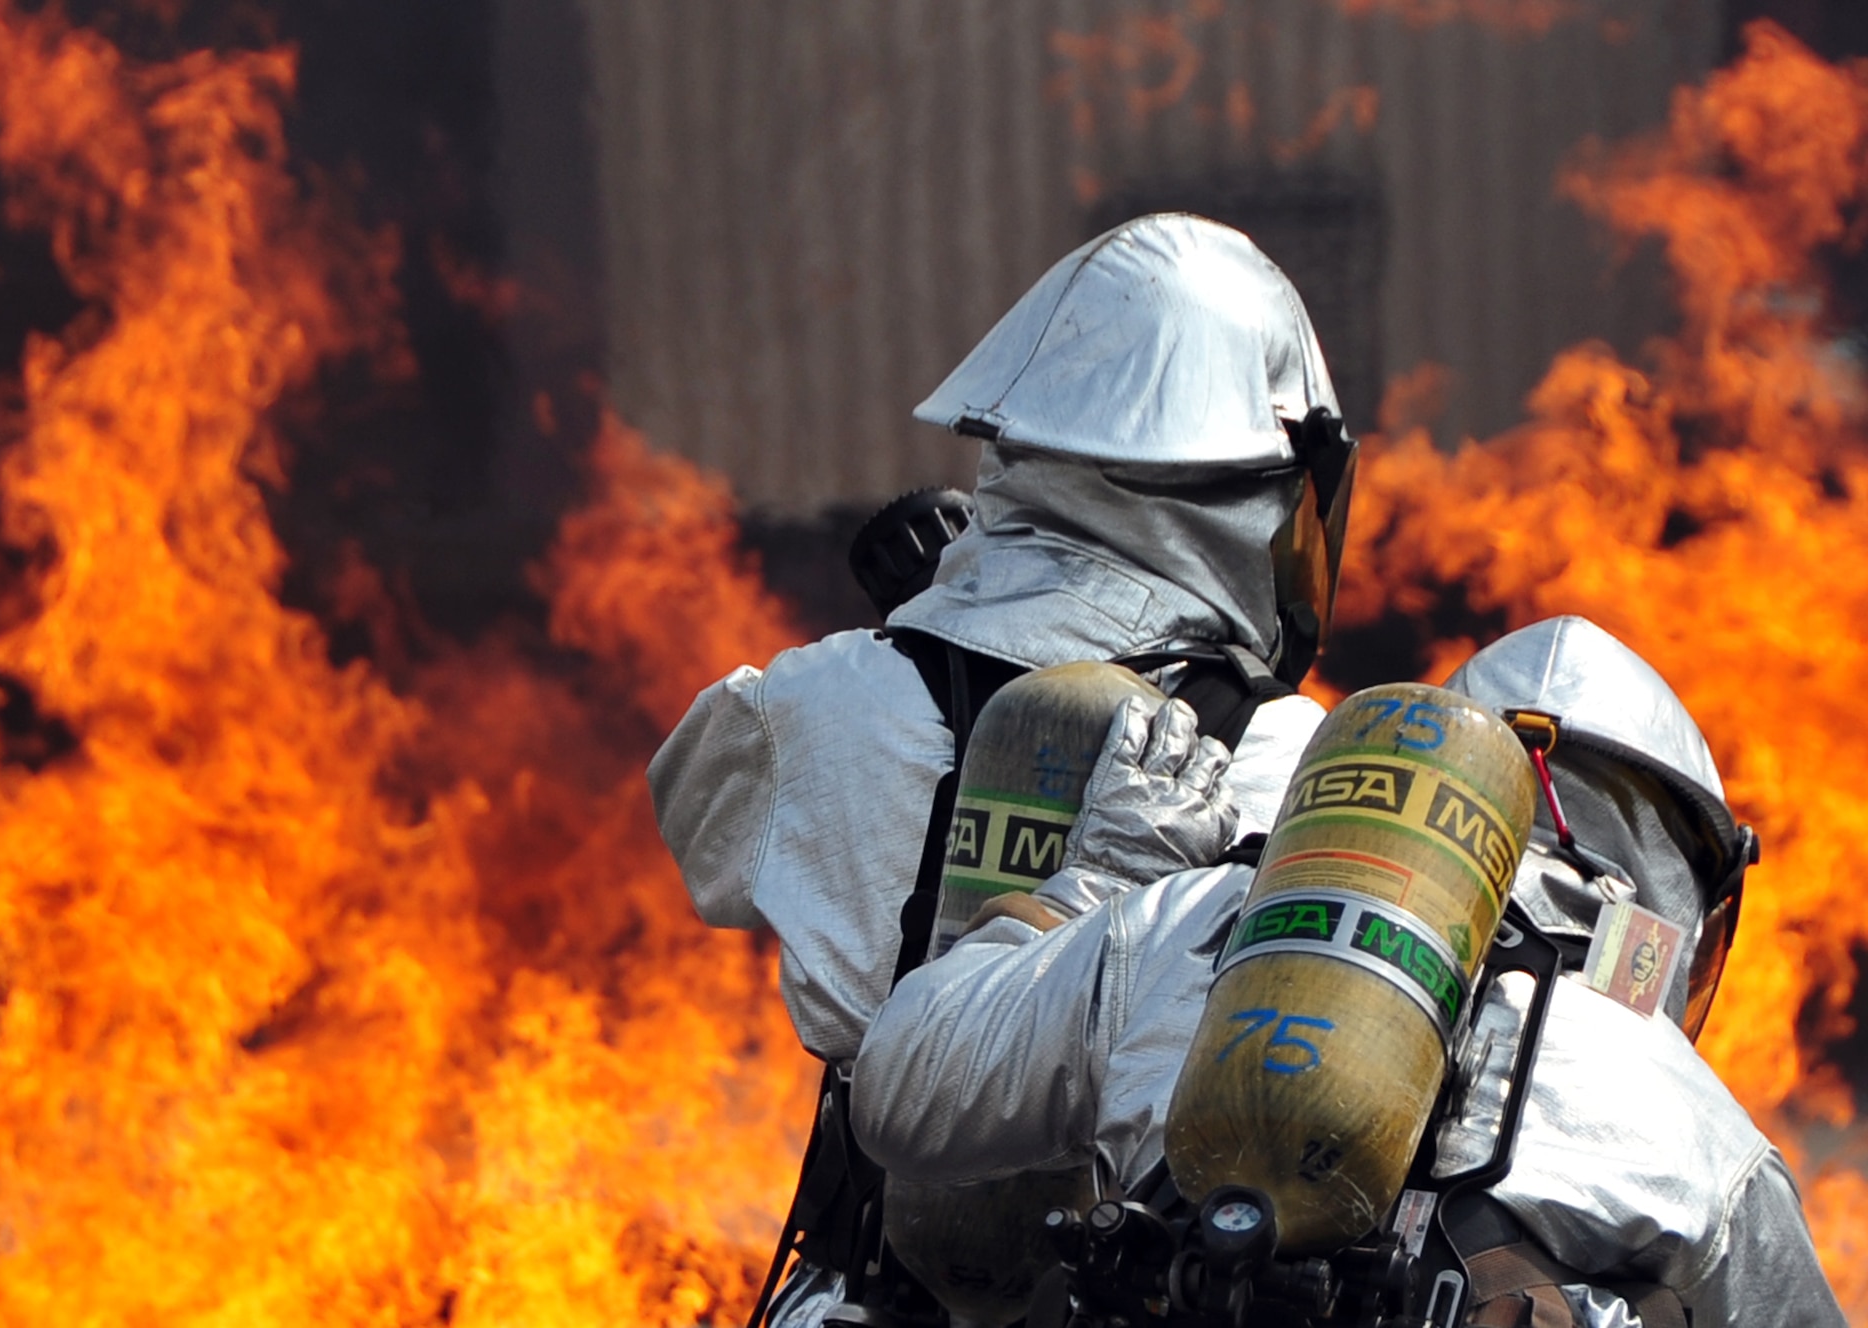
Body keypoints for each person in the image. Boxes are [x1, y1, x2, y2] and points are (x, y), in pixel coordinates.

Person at [648, 213, 1357, 1325]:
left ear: (1020, 451)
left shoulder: (817, 700)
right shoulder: (1296, 757)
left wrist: (931, 634)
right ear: (1272, 493)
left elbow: (698, 810)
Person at [850, 615, 1844, 1325]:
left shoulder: (1197, 920)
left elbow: (900, 1088)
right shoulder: (1679, 1115)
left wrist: (1098, 881)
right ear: (1672, 902)